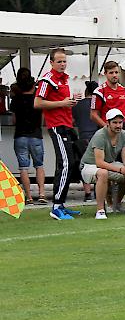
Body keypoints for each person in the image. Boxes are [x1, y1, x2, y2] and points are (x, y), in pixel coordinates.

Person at [34, 48, 82, 220]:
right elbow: (38, 103)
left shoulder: (64, 80)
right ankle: (56, 206)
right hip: (56, 125)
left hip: (66, 124)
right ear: (52, 63)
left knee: (69, 163)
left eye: (64, 61)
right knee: (66, 164)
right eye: (59, 62)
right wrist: (62, 102)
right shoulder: (47, 80)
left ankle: (60, 204)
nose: (63, 64)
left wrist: (71, 101)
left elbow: (62, 102)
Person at [80, 108, 125, 219]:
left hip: (109, 163)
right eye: (115, 122)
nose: (118, 125)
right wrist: (120, 170)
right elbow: (99, 162)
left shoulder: (124, 134)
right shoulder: (100, 135)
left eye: (120, 122)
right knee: (103, 173)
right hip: (89, 165)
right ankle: (100, 211)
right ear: (108, 123)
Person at [10, 67, 46, 205]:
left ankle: (29, 196)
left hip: (20, 135)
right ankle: (42, 193)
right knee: (39, 165)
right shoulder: (37, 100)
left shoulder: (15, 100)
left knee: (23, 167)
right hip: (36, 135)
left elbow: (13, 120)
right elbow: (42, 119)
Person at [72, 80, 100, 202]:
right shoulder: (98, 105)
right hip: (97, 137)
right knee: (98, 165)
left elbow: (72, 121)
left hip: (82, 137)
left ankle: (87, 193)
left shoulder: (77, 105)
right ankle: (98, 191)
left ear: (86, 91)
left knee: (85, 165)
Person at [90, 61, 125, 127]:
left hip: (124, 130)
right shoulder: (99, 92)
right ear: (105, 73)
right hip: (107, 131)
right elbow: (93, 115)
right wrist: (106, 128)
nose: (114, 75)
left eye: (116, 72)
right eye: (111, 73)